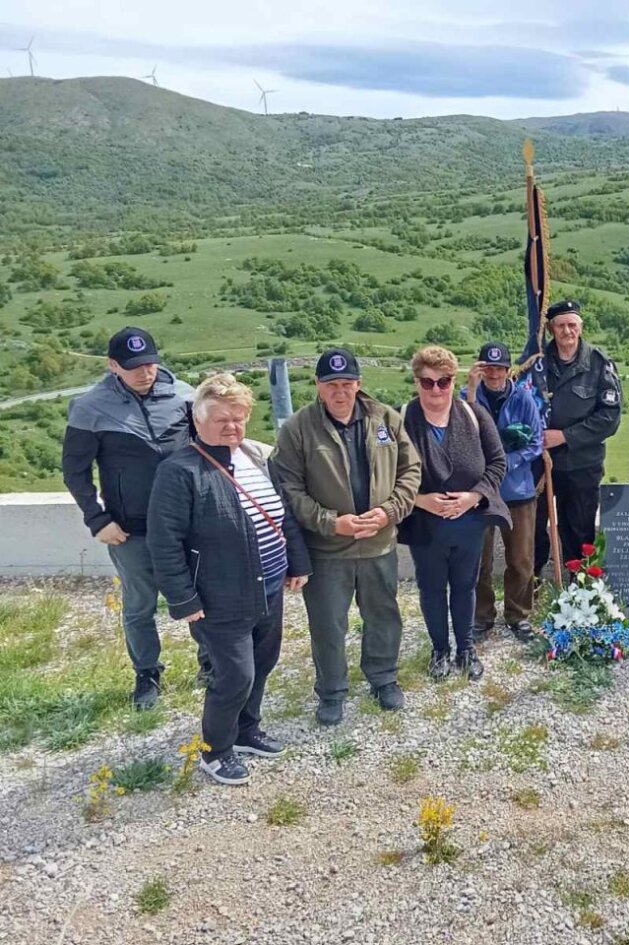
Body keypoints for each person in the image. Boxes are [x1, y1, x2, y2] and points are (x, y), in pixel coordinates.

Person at [147, 375, 311, 786]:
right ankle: (215, 751)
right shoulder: (179, 471)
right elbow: (164, 541)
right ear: (197, 417)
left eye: (238, 419)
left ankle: (246, 730)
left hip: (269, 587)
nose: (231, 427)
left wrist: (297, 562)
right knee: (234, 675)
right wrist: (183, 599)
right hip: (219, 597)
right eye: (221, 419)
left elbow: (282, 515)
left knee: (263, 662)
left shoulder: (255, 458)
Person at [272, 348, 421, 727]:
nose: (340, 392)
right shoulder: (297, 429)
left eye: (347, 384)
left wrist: (389, 511)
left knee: (384, 616)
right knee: (328, 624)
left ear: (358, 384)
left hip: (378, 543)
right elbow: (288, 489)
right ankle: (332, 691)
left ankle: (384, 678)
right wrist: (329, 522)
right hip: (327, 550)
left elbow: (410, 470)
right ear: (318, 386)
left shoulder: (386, 418)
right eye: (331, 385)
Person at [61, 327, 198, 710]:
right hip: (129, 528)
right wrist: (97, 519)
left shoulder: (184, 395)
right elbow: (75, 471)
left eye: (150, 363)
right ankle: (148, 673)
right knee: (140, 606)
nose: (145, 372)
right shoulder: (91, 407)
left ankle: (211, 663)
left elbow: (209, 450)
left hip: (186, 522)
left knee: (201, 593)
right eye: (134, 366)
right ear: (112, 366)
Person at [400, 346, 509, 681]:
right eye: (428, 382)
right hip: (425, 526)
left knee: (465, 586)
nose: (436, 390)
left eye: (444, 382)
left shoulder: (474, 415)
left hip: (469, 523)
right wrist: (420, 500)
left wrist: (473, 497)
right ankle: (439, 650)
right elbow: (387, 472)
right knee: (432, 589)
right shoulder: (401, 419)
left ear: (453, 381)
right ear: (417, 382)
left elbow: (497, 463)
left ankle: (465, 649)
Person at [532, 300, 622, 576]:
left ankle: (581, 592)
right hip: (537, 463)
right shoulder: (535, 363)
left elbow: (609, 418)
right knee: (532, 528)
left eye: (572, 324)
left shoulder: (598, 364)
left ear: (581, 327)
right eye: (560, 325)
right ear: (550, 329)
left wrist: (565, 437)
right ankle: (530, 588)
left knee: (579, 530)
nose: (567, 331)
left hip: (581, 464)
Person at [465, 342, 544, 642]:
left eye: (499, 369)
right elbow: (462, 434)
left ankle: (518, 614)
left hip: (517, 490)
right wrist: (471, 392)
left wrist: (503, 464)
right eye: (487, 368)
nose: (494, 374)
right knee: (477, 559)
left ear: (509, 371)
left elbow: (536, 443)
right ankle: (481, 616)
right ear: (479, 369)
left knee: (521, 558)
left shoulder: (524, 398)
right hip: (480, 493)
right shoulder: (467, 398)